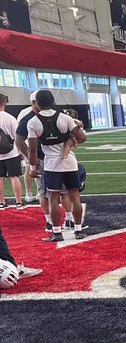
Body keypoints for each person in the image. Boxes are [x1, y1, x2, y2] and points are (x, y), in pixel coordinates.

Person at [26, 91, 88, 242]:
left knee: (53, 198)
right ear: (53, 102)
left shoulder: (33, 122)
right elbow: (82, 137)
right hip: (70, 163)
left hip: (52, 164)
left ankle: (57, 232)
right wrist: (70, 143)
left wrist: (33, 168)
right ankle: (78, 230)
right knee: (74, 196)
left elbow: (32, 150)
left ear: (37, 104)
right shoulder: (65, 118)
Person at [0, 93, 24, 209]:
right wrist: (21, 152)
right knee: (14, 177)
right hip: (11, 152)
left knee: (0, 178)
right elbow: (17, 136)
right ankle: (18, 202)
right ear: (5, 103)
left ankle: (1, 202)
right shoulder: (10, 118)